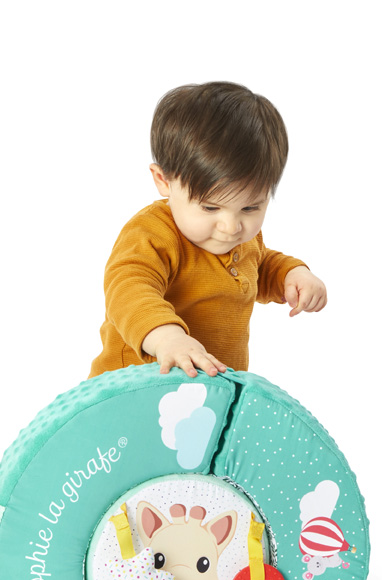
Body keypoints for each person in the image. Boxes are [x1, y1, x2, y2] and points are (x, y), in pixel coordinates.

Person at [89, 81, 327, 379]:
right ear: (164, 180)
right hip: (138, 385)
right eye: (211, 208)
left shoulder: (242, 239)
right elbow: (128, 288)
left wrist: (292, 274)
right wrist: (166, 337)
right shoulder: (152, 234)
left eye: (250, 208)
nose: (231, 227)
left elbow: (260, 264)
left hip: (209, 390)